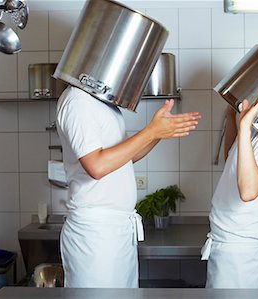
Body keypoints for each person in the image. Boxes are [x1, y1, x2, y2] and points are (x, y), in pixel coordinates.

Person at [56, 85, 201, 288]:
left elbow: (126, 157)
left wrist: (159, 133)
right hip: (95, 236)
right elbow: (96, 165)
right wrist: (151, 131)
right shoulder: (77, 100)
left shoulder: (103, 101)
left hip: (118, 233)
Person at [201, 85, 258, 288]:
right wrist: (233, 118)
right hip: (227, 250)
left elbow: (249, 190)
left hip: (238, 258)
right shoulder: (253, 136)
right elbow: (232, 164)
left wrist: (245, 124)